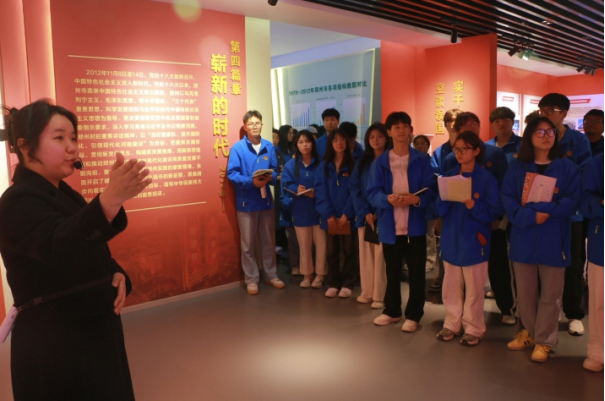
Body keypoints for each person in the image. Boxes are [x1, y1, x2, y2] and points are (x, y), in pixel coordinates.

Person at [0, 100, 150, 400]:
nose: (72, 147)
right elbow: (59, 246)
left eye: (74, 138)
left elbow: (91, 247)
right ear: (25, 146)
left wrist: (115, 272)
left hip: (90, 331)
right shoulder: (16, 201)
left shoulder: (65, 194)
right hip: (56, 340)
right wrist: (109, 199)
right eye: (59, 138)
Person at [502, 117, 580, 363]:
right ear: (529, 136)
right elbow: (508, 200)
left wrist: (544, 211)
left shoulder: (567, 167)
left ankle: (544, 341)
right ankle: (528, 333)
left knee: (551, 294)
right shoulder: (517, 168)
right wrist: (530, 216)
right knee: (525, 293)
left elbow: (572, 201)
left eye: (550, 132)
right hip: (524, 236)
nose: (546, 136)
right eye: (540, 132)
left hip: (554, 237)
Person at [443, 112, 515, 326]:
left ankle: (506, 308)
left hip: (490, 220)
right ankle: (457, 318)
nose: (471, 127)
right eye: (465, 125)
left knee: (497, 266)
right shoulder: (451, 158)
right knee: (459, 275)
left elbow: (503, 185)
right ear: (458, 130)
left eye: (475, 123)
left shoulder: (494, 153)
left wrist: (498, 217)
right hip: (460, 224)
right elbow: (445, 192)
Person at [367, 112, 436, 333]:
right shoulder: (380, 162)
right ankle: (392, 311)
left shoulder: (421, 159)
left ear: (410, 130)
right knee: (392, 271)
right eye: (396, 127)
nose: (401, 130)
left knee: (417, 274)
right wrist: (387, 199)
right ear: (389, 132)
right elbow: (372, 192)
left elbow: (431, 189)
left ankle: (414, 315)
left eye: (405, 126)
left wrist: (415, 199)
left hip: (415, 226)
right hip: (390, 225)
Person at [436, 132, 504, 346]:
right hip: (451, 238)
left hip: (475, 239)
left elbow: (495, 211)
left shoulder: (487, 179)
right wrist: (446, 198)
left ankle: (474, 327)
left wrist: (474, 205)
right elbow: (438, 208)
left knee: (474, 288)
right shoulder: (448, 176)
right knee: (450, 285)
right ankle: (452, 323)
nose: (459, 153)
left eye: (464, 149)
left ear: (476, 151)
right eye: (456, 149)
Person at [539, 93, 592, 336]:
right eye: (543, 110)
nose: (546, 114)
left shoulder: (578, 141)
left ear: (564, 113)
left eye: (551, 110)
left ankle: (573, 313)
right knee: (543, 262)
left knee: (572, 263)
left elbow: (583, 173)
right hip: (543, 211)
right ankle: (544, 311)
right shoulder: (537, 137)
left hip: (571, 213)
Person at [227, 110, 286, 295]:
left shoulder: (269, 146)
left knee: (268, 241)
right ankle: (251, 279)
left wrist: (270, 177)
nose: (254, 126)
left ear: (262, 125)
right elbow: (232, 174)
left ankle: (271, 275)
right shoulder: (238, 148)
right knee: (248, 245)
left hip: (266, 201)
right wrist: (251, 182)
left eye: (257, 123)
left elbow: (275, 171)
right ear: (245, 126)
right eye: (251, 123)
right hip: (247, 203)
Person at [350, 123, 390, 309]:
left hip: (384, 215)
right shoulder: (363, 161)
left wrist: (378, 211)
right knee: (366, 256)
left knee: (381, 257)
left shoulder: (391, 159)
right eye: (372, 137)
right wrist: (365, 212)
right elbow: (354, 187)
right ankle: (367, 292)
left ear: (386, 138)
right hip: (365, 216)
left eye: (379, 136)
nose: (376, 140)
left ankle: (379, 295)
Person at [315, 129, 359, 299]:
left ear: (347, 142)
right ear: (330, 144)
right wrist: (329, 214)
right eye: (335, 140)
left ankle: (348, 284)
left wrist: (347, 214)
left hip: (348, 217)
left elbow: (355, 192)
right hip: (330, 217)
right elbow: (320, 192)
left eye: (342, 140)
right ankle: (333, 283)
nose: (339, 143)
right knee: (332, 251)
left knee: (349, 251)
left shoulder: (354, 165)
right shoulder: (324, 166)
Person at [282, 130, 326, 289]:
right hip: (300, 210)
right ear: (296, 145)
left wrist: (315, 192)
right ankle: (307, 274)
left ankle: (320, 275)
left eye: (307, 141)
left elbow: (326, 184)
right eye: (301, 142)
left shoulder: (321, 163)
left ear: (313, 144)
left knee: (321, 245)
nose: (305, 145)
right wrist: (297, 189)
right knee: (304, 245)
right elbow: (286, 184)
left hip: (319, 210)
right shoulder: (291, 165)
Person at [429, 109, 462, 292]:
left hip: (468, 204)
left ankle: (465, 281)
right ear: (445, 124)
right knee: (444, 242)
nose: (454, 124)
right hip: (446, 204)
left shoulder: (472, 148)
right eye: (450, 120)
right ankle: (442, 277)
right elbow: (434, 176)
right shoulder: (439, 152)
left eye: (458, 120)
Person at [580, 153, 604, 373]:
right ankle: (598, 352)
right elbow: (585, 203)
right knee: (599, 301)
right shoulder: (595, 164)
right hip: (601, 239)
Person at [413, 135, 438, 273]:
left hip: (428, 203)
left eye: (422, 143)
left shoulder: (432, 162)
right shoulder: (411, 161)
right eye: (417, 143)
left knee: (429, 234)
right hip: (414, 204)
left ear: (428, 146)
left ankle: (430, 261)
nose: (419, 146)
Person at [274, 125, 293, 252]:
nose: (292, 135)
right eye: (289, 133)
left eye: (292, 133)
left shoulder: (291, 149)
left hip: (289, 184)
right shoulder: (276, 151)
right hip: (278, 185)